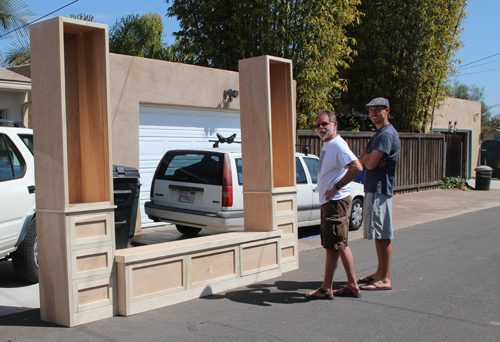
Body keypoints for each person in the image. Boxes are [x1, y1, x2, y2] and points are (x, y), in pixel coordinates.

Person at [306, 110, 363, 299]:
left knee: (333, 246)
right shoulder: (329, 145)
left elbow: (357, 167)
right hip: (331, 202)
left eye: (324, 124)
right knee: (340, 244)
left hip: (336, 202)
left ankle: (326, 288)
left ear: (334, 124)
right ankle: (352, 286)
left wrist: (336, 188)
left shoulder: (338, 144)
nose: (321, 128)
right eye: (318, 125)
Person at [358, 97, 400, 291]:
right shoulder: (378, 134)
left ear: (387, 111)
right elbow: (364, 159)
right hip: (374, 188)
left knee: (383, 233)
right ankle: (380, 272)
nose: (373, 113)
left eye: (377, 110)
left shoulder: (385, 134)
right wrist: (367, 157)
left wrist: (368, 158)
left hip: (381, 188)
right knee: (378, 233)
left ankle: (385, 278)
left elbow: (371, 163)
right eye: (371, 110)